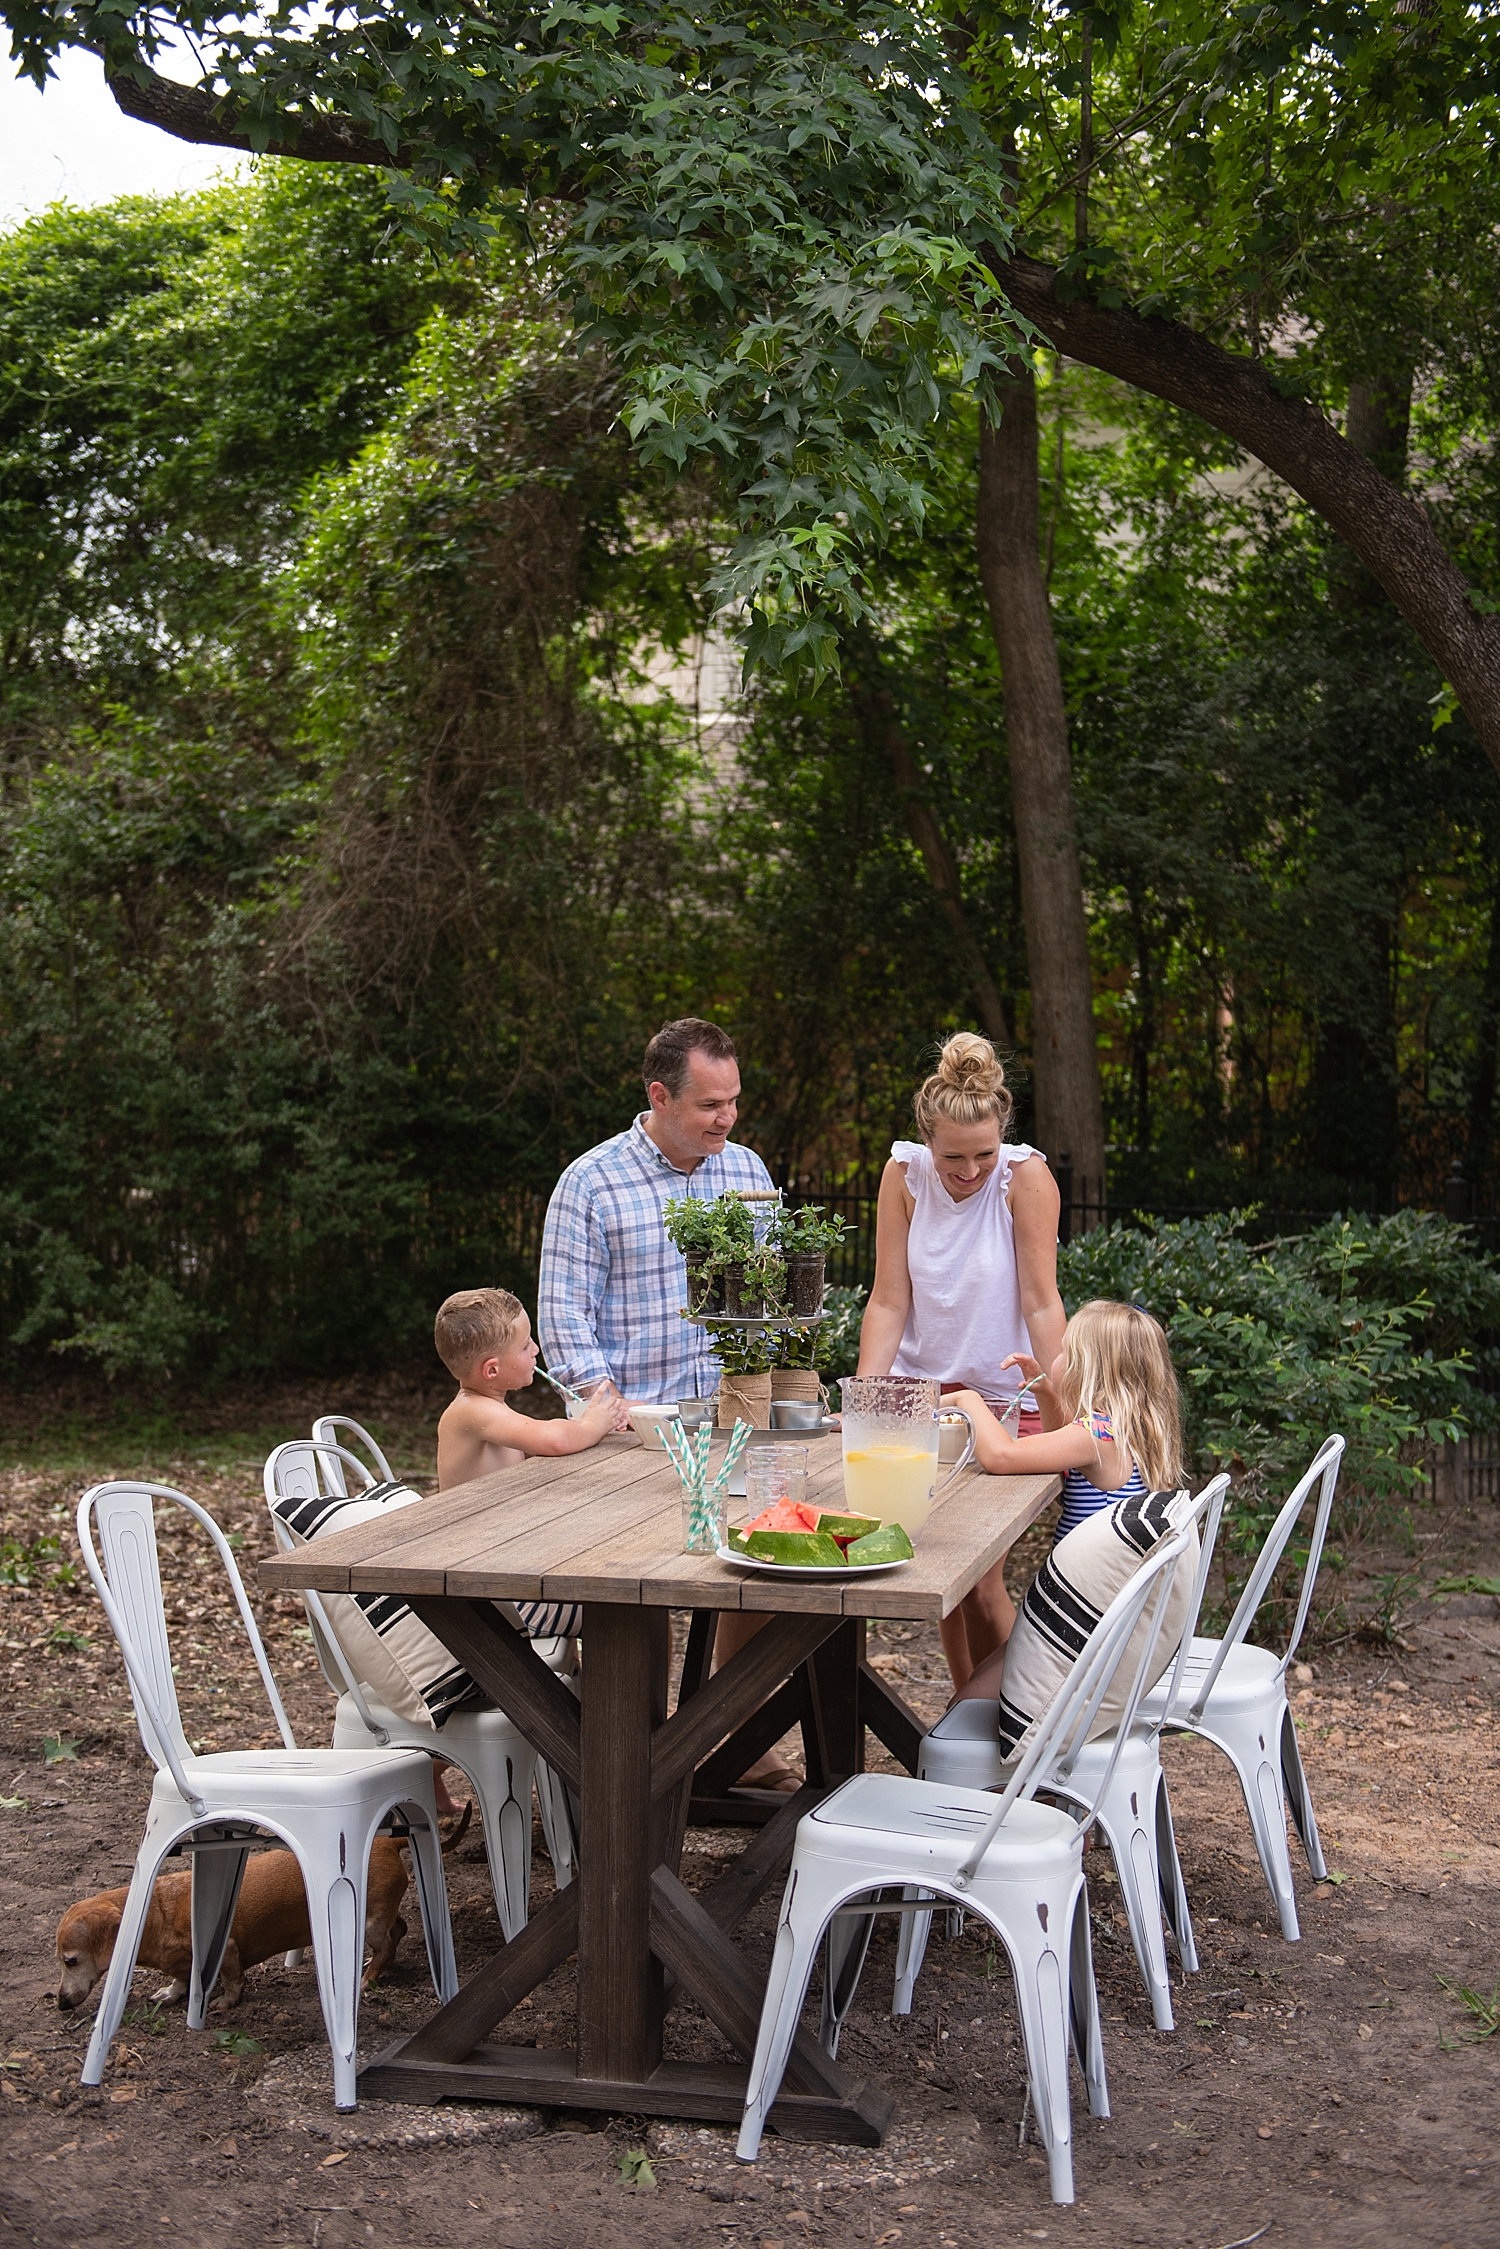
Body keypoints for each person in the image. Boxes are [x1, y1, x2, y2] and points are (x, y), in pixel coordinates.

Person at [857, 1032, 1066, 1691]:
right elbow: (889, 1299)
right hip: (924, 1402)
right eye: (954, 1156)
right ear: (927, 1140)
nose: (970, 1170)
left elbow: (1040, 1301)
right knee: (945, 1571)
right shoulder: (904, 1174)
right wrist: (866, 1397)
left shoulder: (1024, 1177)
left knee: (979, 1579)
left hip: (1007, 1401)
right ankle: (964, 1719)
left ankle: (1028, 1724)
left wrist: (1063, 1395)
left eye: (984, 1153)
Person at [946, 1298, 1185, 1703]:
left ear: (1089, 1370)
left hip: (1078, 1632)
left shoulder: (1099, 1433)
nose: (1057, 1357)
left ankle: (1016, 1748)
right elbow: (1062, 1448)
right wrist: (1046, 1392)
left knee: (963, 1706)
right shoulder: (1131, 1428)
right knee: (977, 1689)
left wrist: (968, 1400)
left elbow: (1003, 1457)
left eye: (1067, 1352)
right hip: (1104, 1621)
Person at [537, 1017, 773, 1404]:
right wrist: (610, 1408)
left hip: (736, 1420)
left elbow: (772, 1291)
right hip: (631, 1434)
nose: (728, 1117)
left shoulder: (748, 1170)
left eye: (733, 1100)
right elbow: (563, 1317)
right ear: (661, 1097)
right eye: (711, 1104)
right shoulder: (591, 1182)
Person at [434, 1286, 625, 1487]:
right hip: (469, 1518)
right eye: (525, 1346)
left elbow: (536, 1446)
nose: (536, 1349)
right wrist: (591, 1427)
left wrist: (594, 1423)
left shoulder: (489, 1408)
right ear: (492, 1370)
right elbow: (554, 1440)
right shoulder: (472, 1410)